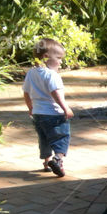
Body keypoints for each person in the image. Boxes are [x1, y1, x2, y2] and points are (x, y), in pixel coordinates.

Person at [22, 38, 74, 177]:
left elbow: (26, 93)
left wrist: (30, 107)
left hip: (38, 114)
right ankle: (58, 159)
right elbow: (55, 93)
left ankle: (46, 162)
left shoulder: (31, 73)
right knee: (61, 136)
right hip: (54, 114)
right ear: (45, 57)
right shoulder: (52, 75)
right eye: (58, 58)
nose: (61, 62)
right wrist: (65, 108)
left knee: (44, 138)